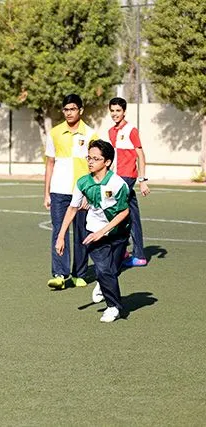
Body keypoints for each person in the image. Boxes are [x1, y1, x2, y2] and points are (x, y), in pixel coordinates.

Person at [56, 140, 130, 323]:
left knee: (111, 270)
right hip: (93, 232)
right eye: (89, 157)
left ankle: (103, 284)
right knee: (104, 269)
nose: (90, 162)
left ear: (107, 162)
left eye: (96, 158)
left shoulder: (118, 184)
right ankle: (114, 307)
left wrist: (104, 231)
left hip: (119, 231)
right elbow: (72, 208)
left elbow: (124, 211)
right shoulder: (82, 182)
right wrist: (60, 236)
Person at [44, 94, 99, 290]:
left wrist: (89, 193)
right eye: (66, 109)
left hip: (82, 192)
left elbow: (95, 166)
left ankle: (79, 273)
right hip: (59, 191)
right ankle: (59, 273)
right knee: (59, 231)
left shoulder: (91, 134)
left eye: (73, 109)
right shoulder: (55, 133)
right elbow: (50, 163)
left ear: (81, 111)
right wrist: (46, 192)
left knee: (82, 233)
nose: (69, 113)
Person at [107, 97, 150, 267]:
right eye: (112, 110)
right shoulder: (111, 131)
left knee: (115, 211)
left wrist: (142, 180)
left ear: (124, 111)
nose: (115, 114)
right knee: (131, 214)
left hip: (127, 177)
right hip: (116, 176)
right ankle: (135, 253)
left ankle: (125, 249)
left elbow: (140, 155)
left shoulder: (131, 130)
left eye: (118, 111)